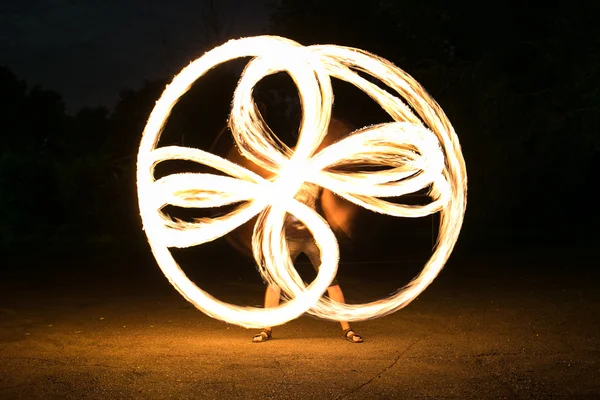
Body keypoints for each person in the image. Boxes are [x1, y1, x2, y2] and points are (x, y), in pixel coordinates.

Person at [252, 181, 364, 343]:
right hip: (289, 238)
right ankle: (266, 329)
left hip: (313, 237)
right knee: (275, 283)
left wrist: (339, 220)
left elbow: (327, 204)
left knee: (331, 282)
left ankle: (347, 329)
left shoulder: (316, 180)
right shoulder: (284, 177)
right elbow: (272, 206)